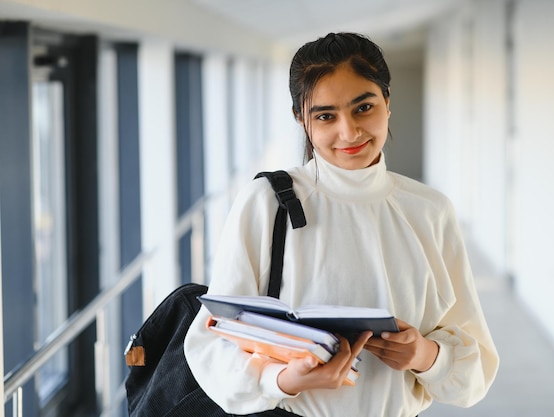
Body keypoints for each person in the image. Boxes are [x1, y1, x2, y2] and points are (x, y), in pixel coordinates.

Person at [184, 32, 499, 417]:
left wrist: (425, 355)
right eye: (325, 115)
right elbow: (211, 341)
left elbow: (476, 370)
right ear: (302, 119)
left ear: (387, 102)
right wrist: (284, 380)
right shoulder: (267, 203)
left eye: (363, 107)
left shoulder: (431, 211)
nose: (349, 132)